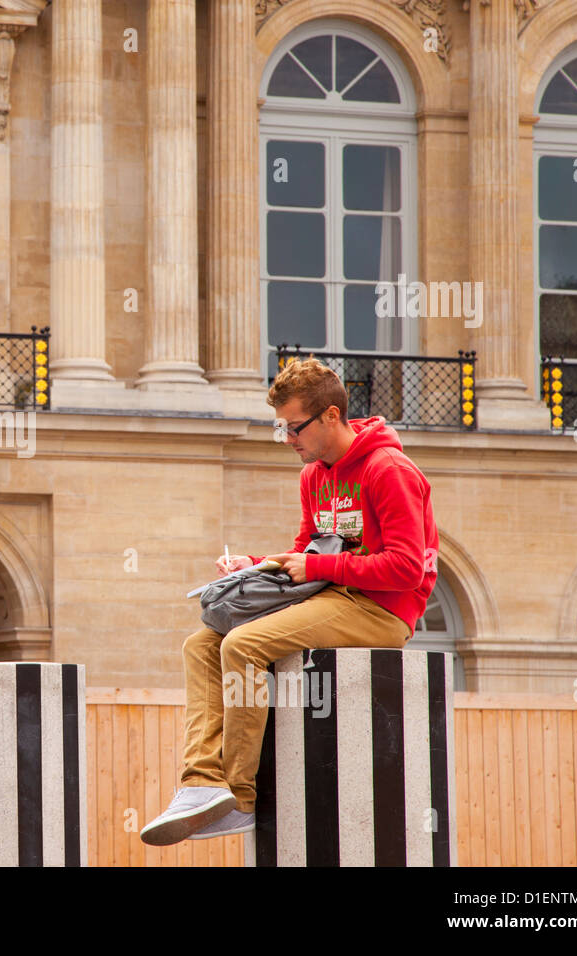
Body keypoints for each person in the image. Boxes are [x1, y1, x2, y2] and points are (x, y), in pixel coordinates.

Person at [140, 357, 438, 845]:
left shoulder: (388, 470)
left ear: (331, 416)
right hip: (329, 594)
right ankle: (200, 783)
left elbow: (407, 568)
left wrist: (320, 568)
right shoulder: (313, 476)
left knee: (243, 645)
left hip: (381, 610)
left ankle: (238, 799)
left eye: (294, 427)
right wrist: (255, 564)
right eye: (281, 428)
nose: (288, 439)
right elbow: (306, 552)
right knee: (200, 643)